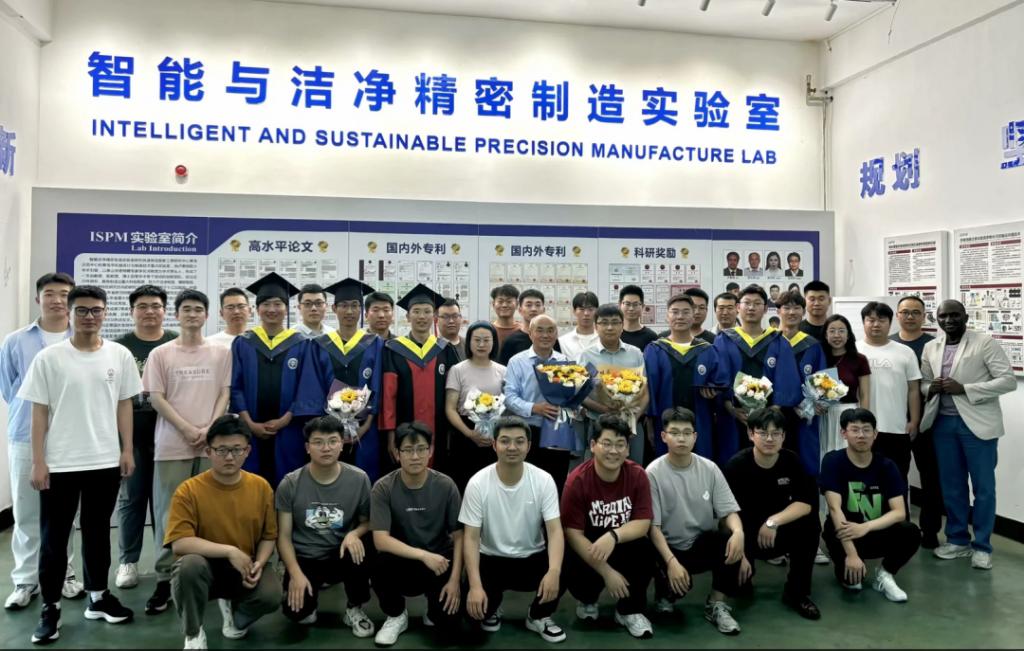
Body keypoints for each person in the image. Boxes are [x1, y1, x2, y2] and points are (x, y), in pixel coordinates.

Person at [19, 285, 141, 644]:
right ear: (69, 314)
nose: (90, 316)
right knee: (54, 539)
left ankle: (98, 597)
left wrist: (127, 449)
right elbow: (38, 412)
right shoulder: (50, 358)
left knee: (98, 532)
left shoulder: (119, 355)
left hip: (105, 461)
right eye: (82, 310)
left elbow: (124, 404)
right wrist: (38, 461)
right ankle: (51, 607)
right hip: (60, 463)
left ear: (106, 313)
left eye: (96, 310)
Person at [143, 289, 231, 616]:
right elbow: (156, 397)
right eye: (186, 310)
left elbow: (225, 393)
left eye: (198, 310)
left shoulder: (221, 353)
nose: (192, 315)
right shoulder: (161, 354)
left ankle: (210, 573)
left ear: (207, 315)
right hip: (171, 445)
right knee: (169, 512)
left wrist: (210, 429)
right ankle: (164, 578)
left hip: (212, 445)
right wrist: (186, 428)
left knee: (212, 511)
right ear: (176, 315)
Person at [1, 272, 83, 610]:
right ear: (39, 299)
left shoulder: (83, 338)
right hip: (24, 436)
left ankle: (66, 574)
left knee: (67, 514)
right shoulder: (15, 341)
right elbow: (10, 389)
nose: (57, 299)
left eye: (64, 293)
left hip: (71, 438)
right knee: (27, 513)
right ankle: (25, 581)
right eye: (50, 293)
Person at [164, 415, 281, 649]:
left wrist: (259, 563)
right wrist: (229, 551)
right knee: (188, 567)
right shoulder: (189, 490)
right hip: (204, 567)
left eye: (237, 450)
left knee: (272, 594)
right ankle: (193, 633)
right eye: (222, 450)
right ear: (208, 452)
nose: (229, 457)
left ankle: (237, 616)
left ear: (247, 451)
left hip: (245, 566)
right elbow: (180, 542)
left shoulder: (261, 487)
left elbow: (269, 536)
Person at [921, 300, 1015, 570]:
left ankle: (982, 546)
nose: (949, 320)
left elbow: (1007, 380)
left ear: (965, 317)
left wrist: (965, 388)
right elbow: (924, 383)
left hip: (977, 425)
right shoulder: (931, 347)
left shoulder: (984, 343)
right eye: (943, 316)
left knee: (983, 488)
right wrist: (931, 388)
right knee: (952, 486)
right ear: (937, 318)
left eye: (954, 315)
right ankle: (958, 540)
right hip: (943, 425)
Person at [460, 416, 567, 644]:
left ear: (528, 446)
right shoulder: (477, 483)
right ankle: (492, 607)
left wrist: (554, 571)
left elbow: (555, 531)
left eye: (519, 441)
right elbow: (471, 538)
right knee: (471, 620)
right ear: (494, 444)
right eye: (505, 441)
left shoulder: (544, 480)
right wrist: (475, 586)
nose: (512, 447)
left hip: (532, 558)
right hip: (491, 559)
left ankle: (538, 615)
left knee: (565, 565)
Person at [646, 407, 744, 636]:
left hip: (699, 544)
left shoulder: (709, 468)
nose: (681, 438)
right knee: (672, 594)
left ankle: (716, 604)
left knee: (730, 538)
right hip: (667, 548)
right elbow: (653, 527)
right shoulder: (653, 473)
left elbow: (729, 511)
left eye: (687, 433)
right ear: (664, 436)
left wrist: (739, 533)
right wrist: (671, 562)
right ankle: (665, 592)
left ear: (695, 436)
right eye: (674, 432)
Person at [276, 416, 375, 635]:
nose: (326, 448)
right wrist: (295, 573)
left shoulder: (359, 479)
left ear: (342, 444)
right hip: (306, 557)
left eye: (332, 441)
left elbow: (367, 522)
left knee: (365, 544)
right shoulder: (290, 483)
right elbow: (283, 536)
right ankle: (308, 598)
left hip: (340, 553)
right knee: (297, 614)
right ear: (307, 448)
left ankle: (354, 607)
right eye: (318, 442)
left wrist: (354, 534)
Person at [723, 407, 821, 620]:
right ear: (751, 434)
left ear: (783, 436)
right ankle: (743, 573)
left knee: (810, 526)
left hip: (776, 530)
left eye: (776, 433)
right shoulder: (736, 466)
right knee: (738, 588)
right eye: (763, 433)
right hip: (746, 534)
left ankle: (797, 592)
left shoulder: (791, 461)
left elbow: (806, 503)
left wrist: (773, 522)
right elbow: (726, 512)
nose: (769, 439)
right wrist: (740, 552)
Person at [561, 414, 654, 639]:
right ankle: (588, 599)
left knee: (644, 549)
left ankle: (629, 610)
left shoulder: (638, 475)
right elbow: (573, 534)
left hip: (620, 543)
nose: (614, 451)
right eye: (607, 443)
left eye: (620, 444)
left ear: (628, 449)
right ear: (593, 445)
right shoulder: (577, 480)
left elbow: (643, 523)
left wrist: (613, 535)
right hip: (590, 547)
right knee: (570, 555)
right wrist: (607, 572)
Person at [371, 421, 464, 647]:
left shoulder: (446, 485)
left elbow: (459, 536)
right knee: (377, 562)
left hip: (440, 563)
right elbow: (381, 540)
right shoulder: (383, 487)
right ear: (397, 453)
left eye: (421, 449)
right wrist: (423, 555)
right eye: (408, 450)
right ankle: (396, 615)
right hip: (402, 560)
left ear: (430, 451)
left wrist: (455, 581)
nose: (415, 456)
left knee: (448, 632)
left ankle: (434, 609)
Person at [114, 284, 179, 592]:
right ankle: (128, 561)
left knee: (169, 504)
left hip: (171, 436)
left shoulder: (176, 344)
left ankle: (169, 563)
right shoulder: (119, 348)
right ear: (132, 312)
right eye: (142, 306)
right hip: (132, 439)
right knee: (132, 500)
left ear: (165, 311)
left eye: (156, 306)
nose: (149, 311)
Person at [819, 409, 921, 602]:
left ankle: (885, 573)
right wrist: (851, 555)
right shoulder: (833, 461)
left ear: (875, 434)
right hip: (844, 533)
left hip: (874, 530)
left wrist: (865, 527)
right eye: (855, 430)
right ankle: (852, 564)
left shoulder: (887, 466)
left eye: (866, 430)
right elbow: (834, 509)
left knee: (911, 532)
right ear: (844, 433)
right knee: (853, 584)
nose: (861, 435)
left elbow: (899, 512)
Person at [231, 272, 322, 488]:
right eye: (266, 304)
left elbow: (306, 388)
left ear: (286, 309)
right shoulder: (243, 343)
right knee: (250, 483)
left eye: (278, 304)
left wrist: (285, 419)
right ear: (257, 309)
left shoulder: (301, 344)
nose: (272, 309)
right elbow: (236, 386)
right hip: (250, 430)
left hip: (289, 430)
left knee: (288, 482)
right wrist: (250, 423)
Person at [308, 278, 385, 481]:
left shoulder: (375, 343)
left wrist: (366, 425)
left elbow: (377, 386)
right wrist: (328, 426)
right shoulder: (319, 345)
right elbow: (314, 387)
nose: (349, 311)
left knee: (364, 477)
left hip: (366, 429)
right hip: (327, 430)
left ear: (361, 309)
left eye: (354, 305)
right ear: (334, 308)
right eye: (343, 305)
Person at [380, 284, 462, 473]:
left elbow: (456, 392)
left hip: (441, 430)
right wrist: (390, 434)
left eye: (427, 311)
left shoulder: (445, 349)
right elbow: (388, 396)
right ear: (408, 317)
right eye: (416, 311)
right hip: (403, 428)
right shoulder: (393, 349)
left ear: (434, 317)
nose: (422, 316)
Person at [715, 285, 802, 462]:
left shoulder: (778, 341)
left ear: (765, 308)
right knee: (734, 462)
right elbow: (719, 378)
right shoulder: (724, 340)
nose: (751, 308)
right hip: (733, 418)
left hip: (770, 420)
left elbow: (786, 380)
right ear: (738, 307)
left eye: (757, 303)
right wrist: (731, 408)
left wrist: (770, 412)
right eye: (746, 303)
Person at [644, 294, 724, 462]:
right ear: (667, 316)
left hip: (701, 421)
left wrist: (714, 391)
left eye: (686, 312)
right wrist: (650, 423)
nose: (680, 316)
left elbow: (720, 382)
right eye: (675, 312)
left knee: (700, 464)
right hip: (664, 421)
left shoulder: (707, 350)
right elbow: (649, 389)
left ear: (693, 315)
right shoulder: (655, 350)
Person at [890, 295, 943, 549]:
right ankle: (899, 529)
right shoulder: (888, 343)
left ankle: (930, 530)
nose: (909, 316)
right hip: (893, 421)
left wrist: (918, 419)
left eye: (915, 312)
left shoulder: (935, 346)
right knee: (895, 477)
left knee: (931, 477)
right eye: (905, 312)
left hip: (929, 422)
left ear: (924, 316)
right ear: (897, 315)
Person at [504, 315, 573, 491]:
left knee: (556, 483)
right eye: (540, 330)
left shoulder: (564, 361)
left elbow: (570, 395)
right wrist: (535, 408)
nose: (545, 335)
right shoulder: (517, 361)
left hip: (558, 431)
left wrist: (575, 405)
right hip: (528, 431)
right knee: (527, 485)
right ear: (530, 333)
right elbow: (509, 398)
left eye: (550, 331)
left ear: (556, 334)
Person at [857, 302, 921, 488]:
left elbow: (914, 389)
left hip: (897, 429)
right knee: (864, 482)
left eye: (881, 320)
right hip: (862, 429)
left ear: (890, 322)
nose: (876, 324)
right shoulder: (853, 350)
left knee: (897, 480)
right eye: (871, 320)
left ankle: (899, 509)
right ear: (864, 322)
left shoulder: (905, 352)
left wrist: (914, 421)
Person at [579, 305, 648, 464]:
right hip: (598, 424)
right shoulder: (586, 355)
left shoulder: (635, 353)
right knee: (598, 471)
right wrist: (604, 410)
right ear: (596, 326)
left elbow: (645, 391)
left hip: (632, 426)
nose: (610, 327)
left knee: (633, 470)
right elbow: (579, 394)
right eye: (604, 322)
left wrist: (633, 419)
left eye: (615, 322)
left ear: (622, 326)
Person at [445, 321, 507, 493]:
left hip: (494, 435)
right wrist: (470, 433)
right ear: (469, 342)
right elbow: (450, 408)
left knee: (492, 486)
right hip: (464, 433)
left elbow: (507, 406)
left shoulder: (503, 371)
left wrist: (496, 434)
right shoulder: (457, 370)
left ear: (494, 342)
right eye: (477, 340)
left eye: (486, 340)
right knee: (465, 484)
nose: (481, 344)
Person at [776, 290, 828, 476]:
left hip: (804, 413)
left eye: (797, 308)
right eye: (786, 308)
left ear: (803, 312)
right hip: (774, 411)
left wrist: (814, 403)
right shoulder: (770, 342)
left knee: (805, 459)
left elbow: (822, 380)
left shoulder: (813, 345)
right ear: (778, 311)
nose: (792, 312)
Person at [820, 314, 871, 455]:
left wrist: (862, 421)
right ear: (825, 335)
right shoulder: (819, 358)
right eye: (832, 331)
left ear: (848, 335)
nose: (837, 335)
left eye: (841, 331)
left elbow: (865, 394)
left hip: (849, 414)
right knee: (824, 452)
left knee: (848, 454)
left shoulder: (859, 359)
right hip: (824, 415)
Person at [498, 289, 558, 365]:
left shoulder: (551, 339)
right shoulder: (511, 341)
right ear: (520, 310)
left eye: (538, 305)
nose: (533, 309)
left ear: (543, 310)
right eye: (529, 305)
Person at [558, 291, 600, 361]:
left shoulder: (603, 340)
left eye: (590, 309)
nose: (586, 313)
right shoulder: (562, 342)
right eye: (582, 309)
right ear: (574, 311)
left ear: (597, 312)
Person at [618, 285, 658, 352]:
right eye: (627, 304)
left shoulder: (651, 337)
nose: (631, 308)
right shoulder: (614, 333)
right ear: (619, 304)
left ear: (643, 306)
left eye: (635, 304)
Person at [490, 284, 521, 349]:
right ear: (493, 304)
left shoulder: (524, 330)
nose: (504, 305)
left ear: (517, 304)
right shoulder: (488, 330)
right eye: (500, 301)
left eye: (509, 301)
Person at [437, 298, 466, 363]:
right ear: (437, 320)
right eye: (445, 317)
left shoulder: (470, 346)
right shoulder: (431, 348)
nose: (451, 321)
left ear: (461, 318)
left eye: (455, 316)